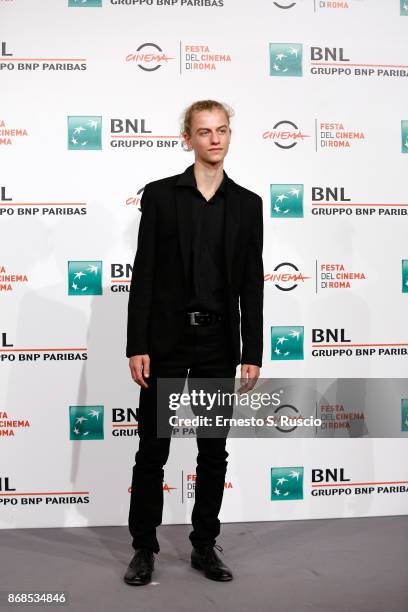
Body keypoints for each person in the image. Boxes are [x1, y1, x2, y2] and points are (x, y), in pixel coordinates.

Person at [124, 99, 264, 586]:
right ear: (188, 138)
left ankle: (204, 545)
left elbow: (252, 283)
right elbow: (142, 275)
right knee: (153, 450)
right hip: (166, 342)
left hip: (216, 345)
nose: (215, 139)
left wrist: (252, 352)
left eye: (222, 130)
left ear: (230, 135)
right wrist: (136, 343)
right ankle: (144, 548)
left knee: (212, 452)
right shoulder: (161, 197)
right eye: (204, 132)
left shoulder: (247, 204)